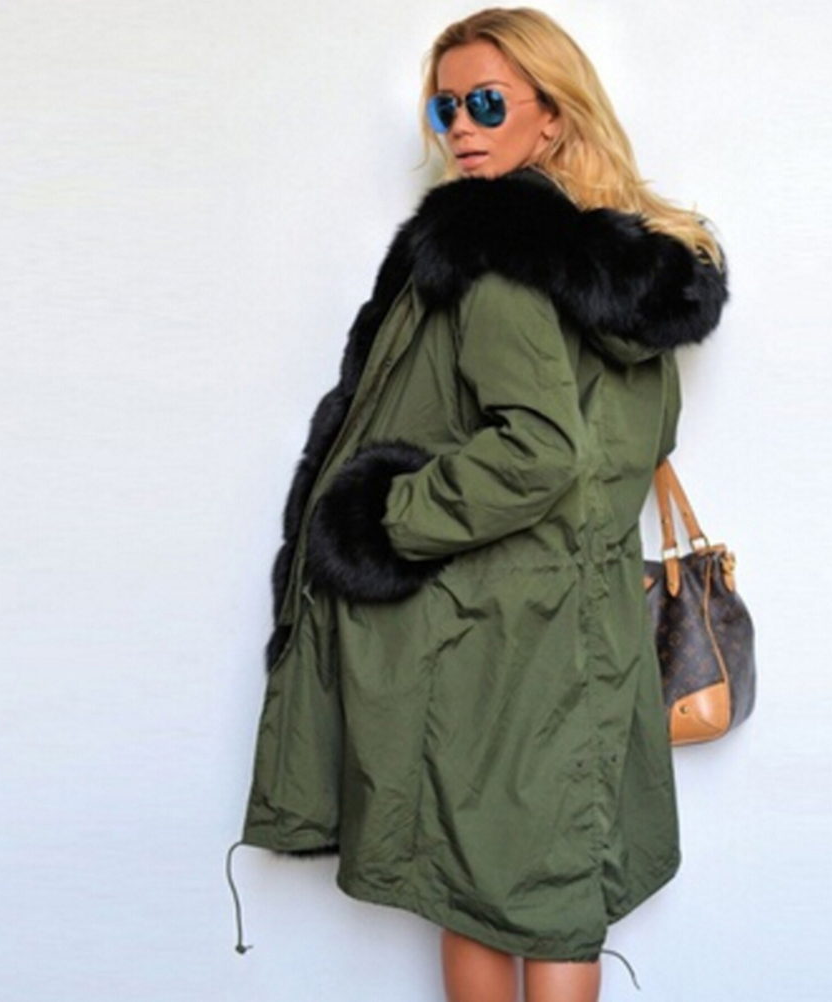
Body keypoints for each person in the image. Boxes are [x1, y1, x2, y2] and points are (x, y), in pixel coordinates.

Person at [238, 8, 727, 1001]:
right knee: (556, 890)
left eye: (488, 103)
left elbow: (537, 454)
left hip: (489, 636)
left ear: (553, 113)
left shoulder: (493, 258)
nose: (461, 125)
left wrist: (386, 518)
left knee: (475, 890)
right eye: (445, 106)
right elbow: (633, 445)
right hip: (585, 626)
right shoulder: (629, 268)